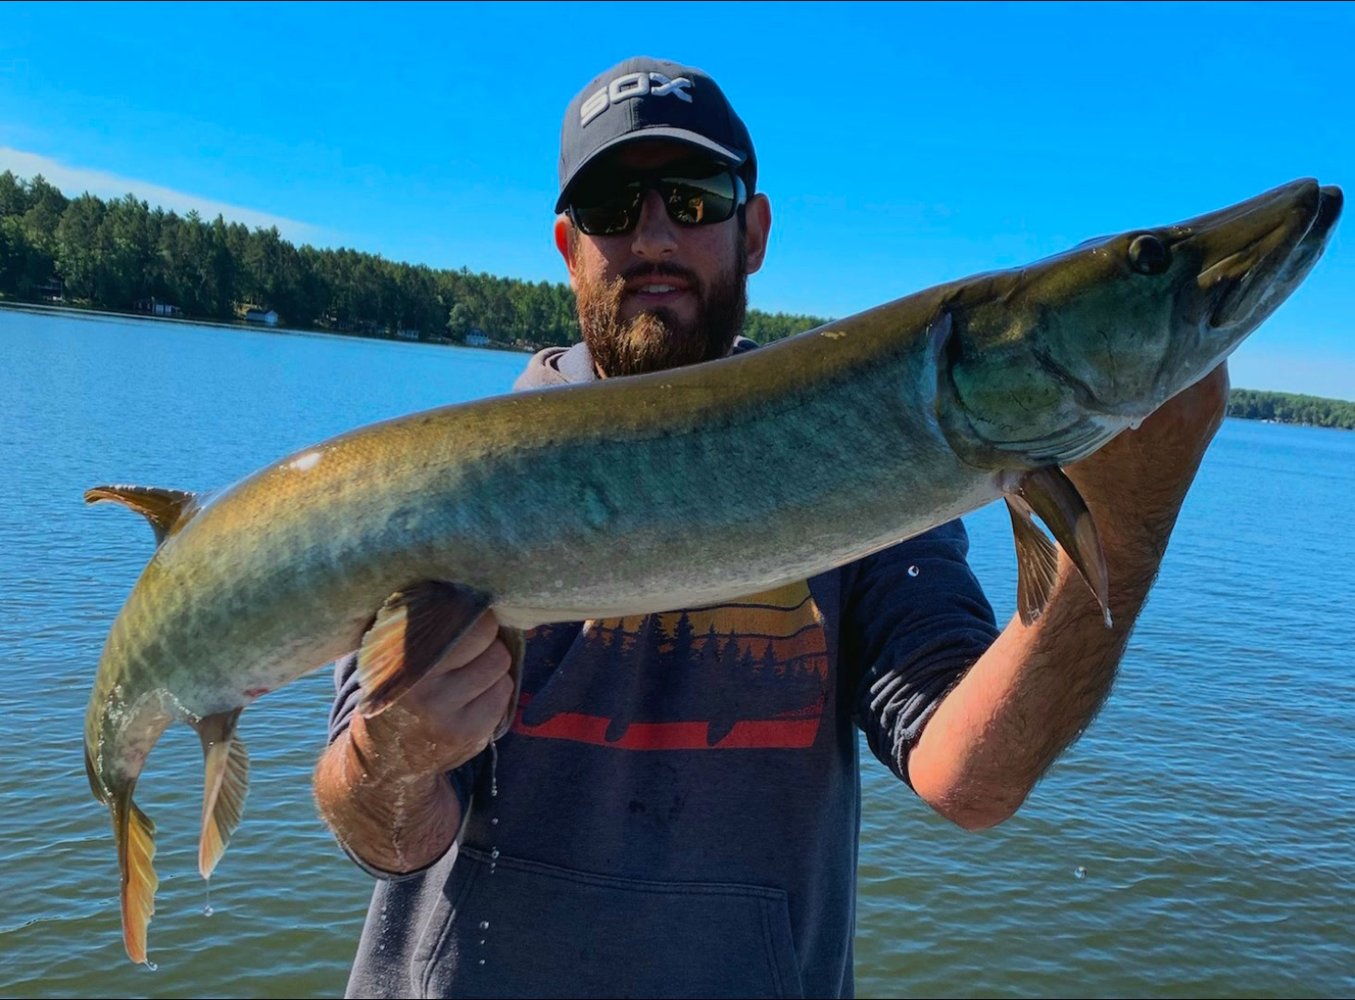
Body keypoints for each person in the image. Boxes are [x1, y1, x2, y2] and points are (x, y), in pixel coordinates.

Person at [313, 56, 1228, 998]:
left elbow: (971, 777)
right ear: (566, 242)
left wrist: (1130, 515)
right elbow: (382, 833)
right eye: (612, 206)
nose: (655, 235)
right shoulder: (447, 490)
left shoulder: (881, 463)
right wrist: (395, 755)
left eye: (696, 199)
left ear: (753, 233)